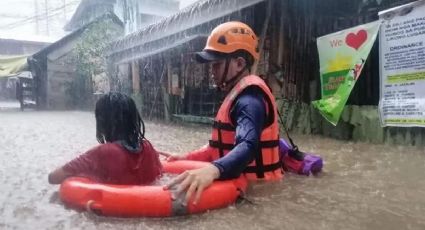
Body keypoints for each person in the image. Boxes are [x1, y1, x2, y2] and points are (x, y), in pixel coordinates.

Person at [164, 21, 283, 205]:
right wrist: (186, 158)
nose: (212, 72)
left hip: (258, 194)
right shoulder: (238, 95)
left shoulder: (249, 101)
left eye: (217, 65)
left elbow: (248, 145)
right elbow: (218, 147)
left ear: (239, 63)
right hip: (244, 187)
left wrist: (213, 170)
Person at [48, 92, 162, 185]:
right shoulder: (148, 148)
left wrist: (84, 175)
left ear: (102, 123)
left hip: (115, 209)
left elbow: (53, 178)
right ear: (134, 120)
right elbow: (159, 175)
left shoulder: (104, 152)